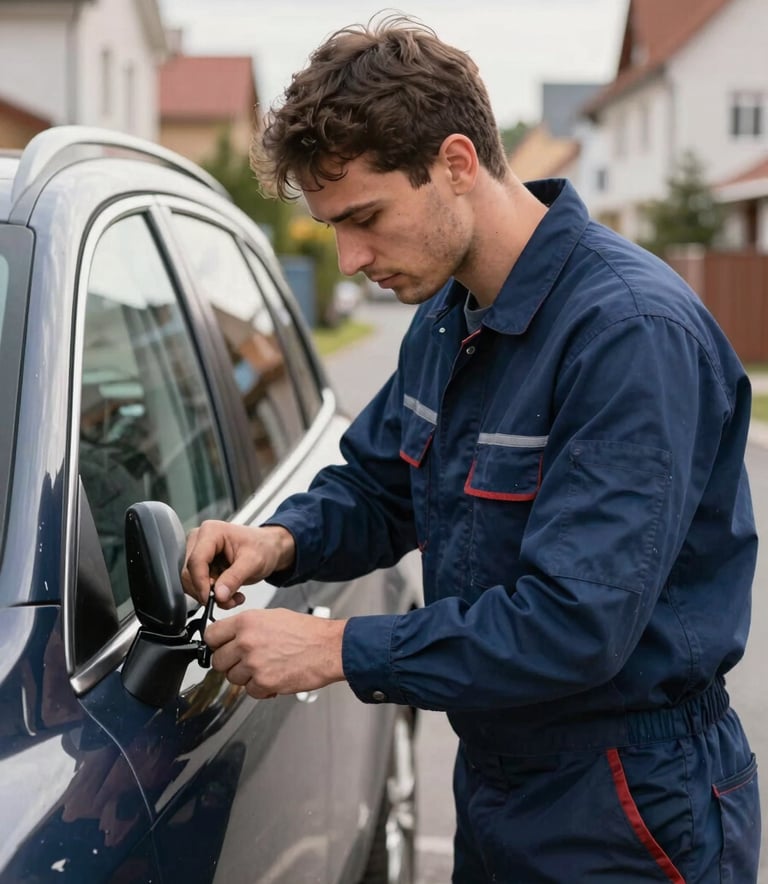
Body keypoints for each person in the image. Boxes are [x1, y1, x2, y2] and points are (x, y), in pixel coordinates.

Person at [182, 15, 761, 882]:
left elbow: (575, 625)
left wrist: (338, 649)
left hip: (627, 801)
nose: (348, 260)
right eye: (333, 226)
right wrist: (281, 539)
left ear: (456, 163)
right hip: (499, 782)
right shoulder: (448, 321)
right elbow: (380, 490)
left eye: (365, 217)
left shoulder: (627, 336)